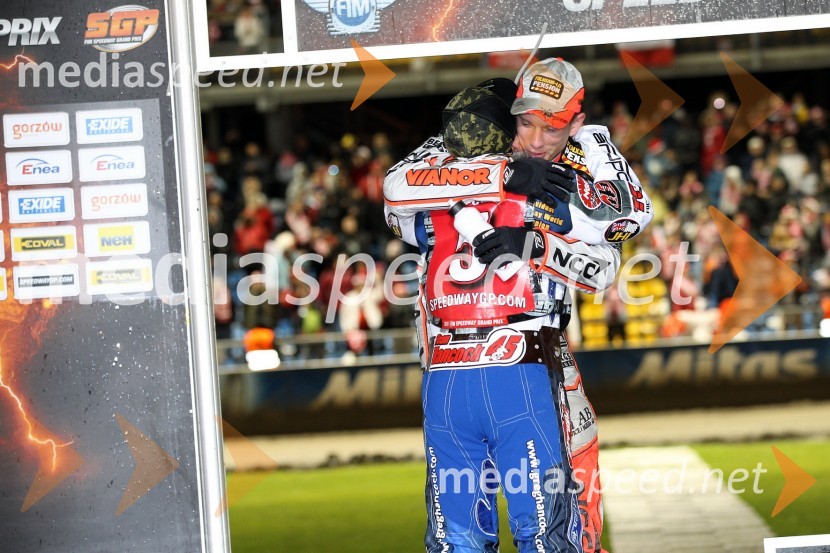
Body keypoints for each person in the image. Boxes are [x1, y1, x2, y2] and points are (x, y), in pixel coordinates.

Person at [384, 58, 653, 553]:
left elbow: (629, 216)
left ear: (574, 123)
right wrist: (504, 175)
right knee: (472, 537)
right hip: (454, 361)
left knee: (560, 524)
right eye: (524, 122)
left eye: (550, 128)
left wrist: (537, 236)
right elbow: (394, 191)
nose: (534, 139)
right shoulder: (465, 150)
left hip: (532, 355)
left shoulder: (585, 152)